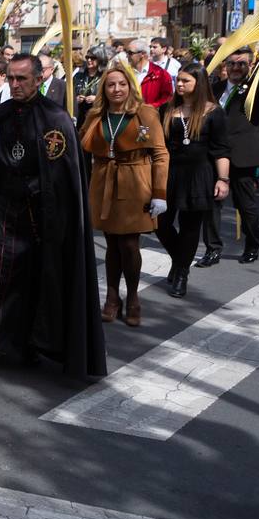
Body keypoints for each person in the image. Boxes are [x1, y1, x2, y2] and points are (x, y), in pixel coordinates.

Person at [0, 54, 105, 376]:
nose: (16, 84)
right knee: (1, 278)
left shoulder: (56, 118)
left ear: (37, 80)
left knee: (39, 279)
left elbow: (63, 174)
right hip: (4, 209)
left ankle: (35, 343)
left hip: (41, 216)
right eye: (11, 78)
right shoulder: (0, 114)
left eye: (22, 79)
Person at [80, 66, 169, 326]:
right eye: (110, 85)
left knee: (129, 244)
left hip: (134, 182)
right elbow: (81, 146)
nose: (116, 89)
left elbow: (161, 155)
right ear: (103, 89)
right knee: (112, 244)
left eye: (121, 84)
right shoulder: (96, 115)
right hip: (103, 182)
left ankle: (132, 298)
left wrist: (159, 193)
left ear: (130, 86)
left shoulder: (145, 113)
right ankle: (111, 296)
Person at [203, 43, 259, 264]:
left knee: (245, 204)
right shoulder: (215, 88)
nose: (236, 68)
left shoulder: (256, 89)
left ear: (250, 65)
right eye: (232, 63)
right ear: (225, 66)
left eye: (241, 64)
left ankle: (252, 244)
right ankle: (213, 248)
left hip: (243, 154)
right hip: (214, 154)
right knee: (211, 204)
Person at [157, 63, 229, 299]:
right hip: (170, 173)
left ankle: (181, 274)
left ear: (199, 83)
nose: (179, 84)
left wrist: (223, 179)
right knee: (159, 222)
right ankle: (180, 261)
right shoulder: (168, 109)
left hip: (200, 174)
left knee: (189, 227)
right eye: (178, 80)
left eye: (185, 81)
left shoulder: (213, 111)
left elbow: (221, 149)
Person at [125, 38, 174, 111]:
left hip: (151, 117)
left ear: (142, 54)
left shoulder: (161, 74)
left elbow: (167, 98)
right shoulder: (124, 73)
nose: (127, 56)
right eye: (127, 53)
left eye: (130, 53)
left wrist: (149, 108)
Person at [73, 46, 109, 128]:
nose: (89, 60)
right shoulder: (78, 76)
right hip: (79, 117)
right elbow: (69, 95)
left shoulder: (106, 77)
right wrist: (76, 99)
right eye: (87, 57)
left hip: (97, 117)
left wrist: (97, 99)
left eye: (92, 58)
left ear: (100, 59)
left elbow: (111, 97)